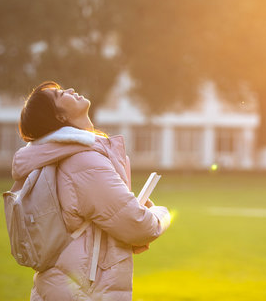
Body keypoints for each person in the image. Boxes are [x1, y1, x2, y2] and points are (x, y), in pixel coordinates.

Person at [12, 81, 171, 300]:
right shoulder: (83, 161)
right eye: (60, 95)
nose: (69, 89)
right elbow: (138, 225)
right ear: (59, 117)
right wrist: (162, 214)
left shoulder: (64, 156)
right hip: (84, 291)